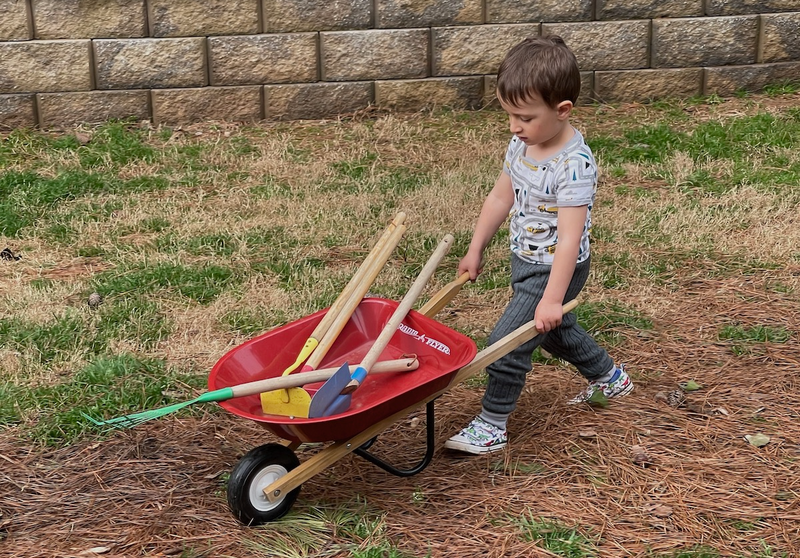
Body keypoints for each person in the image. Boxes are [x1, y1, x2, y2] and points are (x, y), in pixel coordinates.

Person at [444, 35, 633, 455]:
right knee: (552, 330)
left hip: (556, 267)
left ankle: (492, 424)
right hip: (525, 258)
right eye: (509, 114)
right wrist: (476, 247)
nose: (514, 126)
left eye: (524, 117)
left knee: (507, 341)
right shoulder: (522, 144)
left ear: (562, 110)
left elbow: (568, 239)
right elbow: (500, 197)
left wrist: (551, 297)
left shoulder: (574, 165)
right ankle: (609, 377)